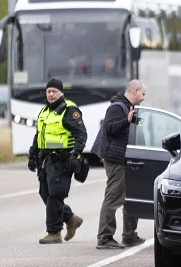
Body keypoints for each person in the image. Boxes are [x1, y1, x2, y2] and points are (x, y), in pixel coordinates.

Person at [28, 78, 87, 244]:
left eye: (54, 91)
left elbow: (81, 134)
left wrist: (75, 155)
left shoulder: (69, 110)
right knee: (45, 193)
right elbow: (39, 134)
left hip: (63, 159)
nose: (51, 94)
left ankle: (54, 232)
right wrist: (32, 154)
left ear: (61, 93)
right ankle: (70, 218)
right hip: (46, 160)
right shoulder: (45, 111)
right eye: (48, 91)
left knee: (55, 195)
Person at [93, 79, 148, 249]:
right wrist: (127, 121)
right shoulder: (117, 107)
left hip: (127, 158)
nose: (144, 98)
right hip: (116, 159)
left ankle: (129, 236)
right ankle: (104, 237)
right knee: (114, 196)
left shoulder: (128, 107)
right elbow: (109, 128)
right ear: (134, 90)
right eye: (143, 94)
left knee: (131, 197)